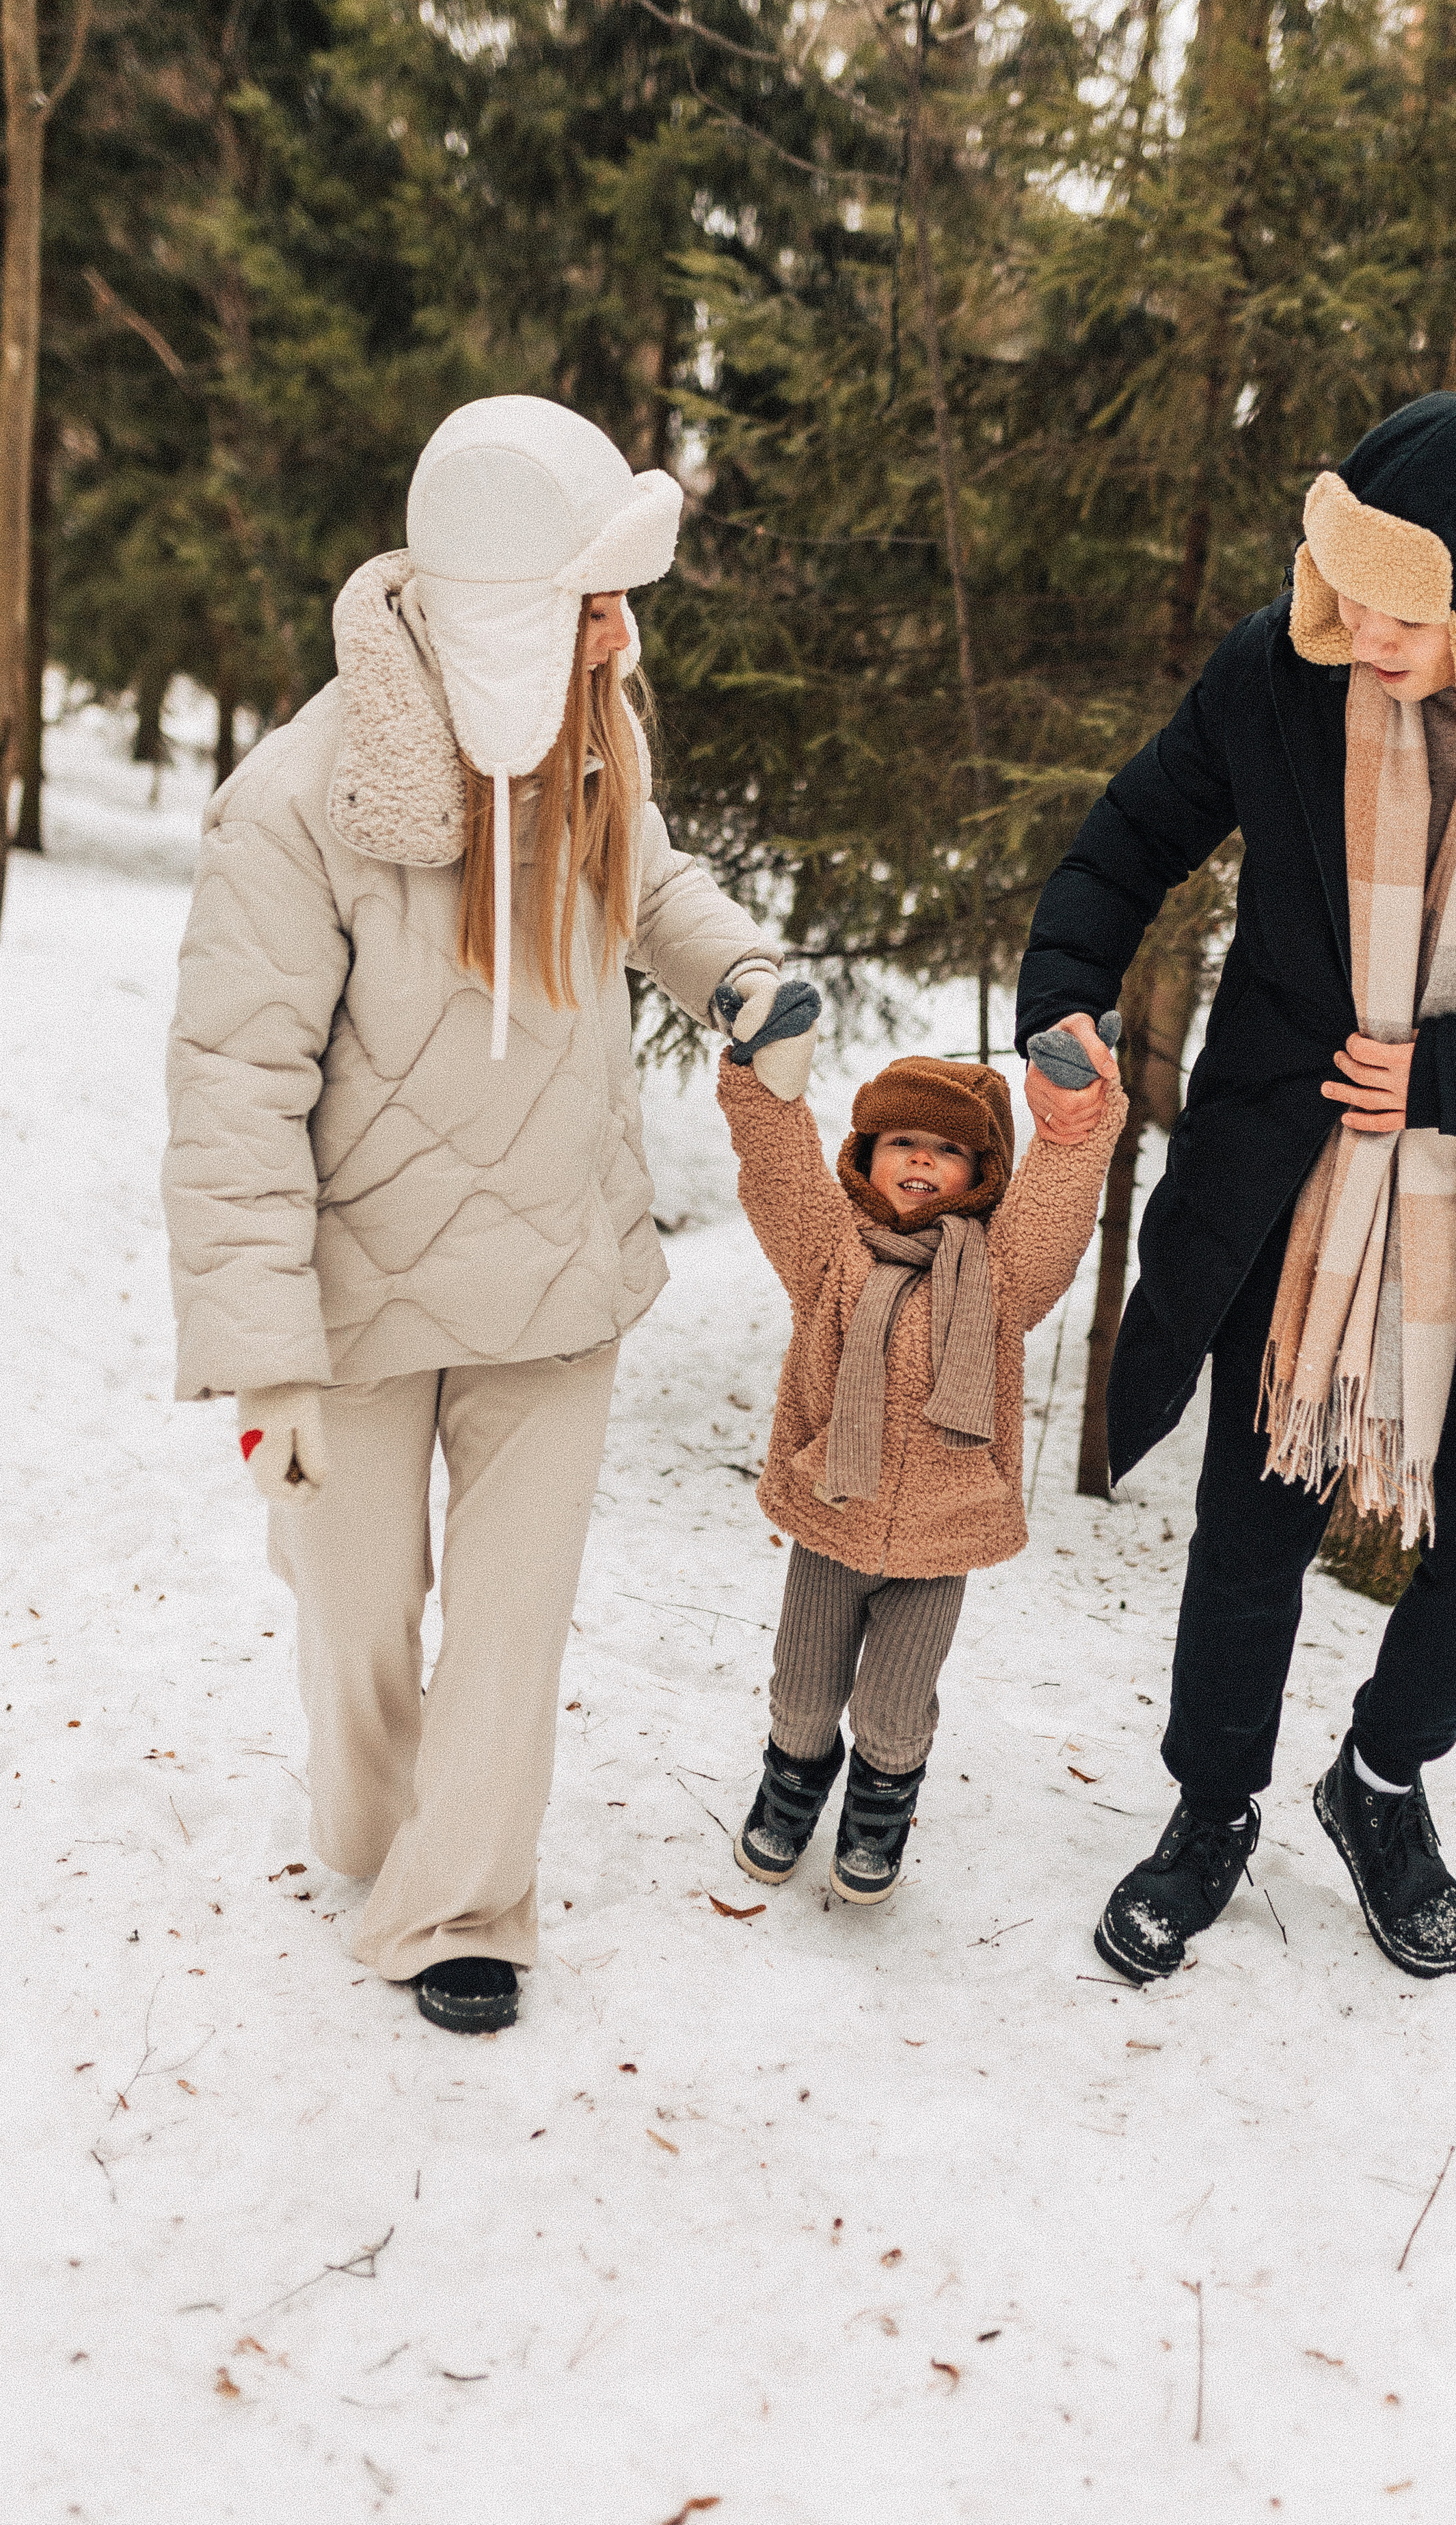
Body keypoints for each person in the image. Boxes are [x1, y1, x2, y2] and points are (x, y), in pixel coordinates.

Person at [1014, 391, 1456, 1986]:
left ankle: (1380, 1780)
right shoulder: (1284, 669)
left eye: (1392, 608)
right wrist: (1062, 982)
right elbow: (1136, 828)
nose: (1353, 631)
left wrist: (1454, 1082)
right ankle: (1209, 1812)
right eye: (1335, 589)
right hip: (1299, 1163)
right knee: (1248, 1521)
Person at [162, 395, 816, 2035]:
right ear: (505, 605)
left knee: (509, 1623)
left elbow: (645, 880)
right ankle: (379, 1835)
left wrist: (736, 969)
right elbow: (233, 1092)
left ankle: (461, 1907)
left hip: (553, 1270)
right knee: (359, 1607)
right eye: (593, 598)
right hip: (354, 1298)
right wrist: (267, 1366)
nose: (620, 627)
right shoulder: (296, 802)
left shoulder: (597, 737)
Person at [716, 1021, 1127, 1903]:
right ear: (865, 1154)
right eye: (903, 1140)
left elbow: (1057, 1207)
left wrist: (1075, 1121)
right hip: (834, 1512)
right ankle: (790, 1790)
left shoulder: (1001, 1271)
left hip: (942, 1534)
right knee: (801, 1687)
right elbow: (780, 1170)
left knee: (895, 1708)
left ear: (981, 1176)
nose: (921, 1161)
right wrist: (759, 1074)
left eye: (949, 1150)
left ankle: (879, 1809)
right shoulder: (828, 1249)